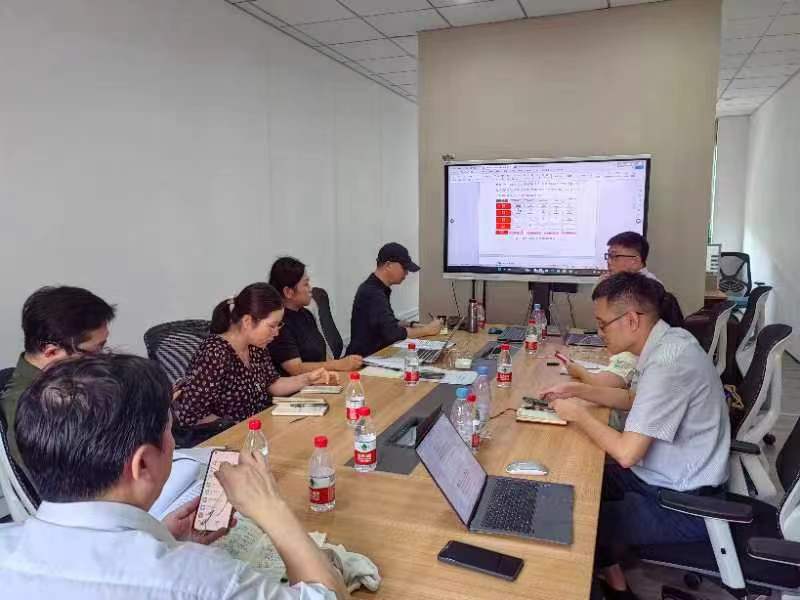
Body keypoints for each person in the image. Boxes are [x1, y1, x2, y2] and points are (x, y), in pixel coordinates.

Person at [0, 353, 346, 599]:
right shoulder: (203, 580)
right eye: (170, 430)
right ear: (143, 464)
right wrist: (272, 509)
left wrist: (162, 537)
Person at [540, 273, 730, 600]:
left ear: (631, 320)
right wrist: (578, 390)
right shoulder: (668, 342)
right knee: (574, 480)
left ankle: (614, 590)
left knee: (575, 521)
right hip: (661, 477)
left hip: (684, 504)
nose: (600, 333)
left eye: (603, 325)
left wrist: (578, 414)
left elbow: (627, 453)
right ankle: (614, 576)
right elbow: (633, 399)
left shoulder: (668, 363)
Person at [172, 283, 335, 427]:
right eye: (271, 326)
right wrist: (232, 427)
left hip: (258, 429)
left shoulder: (256, 347)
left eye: (279, 325)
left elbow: (273, 384)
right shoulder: (214, 353)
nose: (276, 333)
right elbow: (191, 415)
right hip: (225, 439)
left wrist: (308, 379)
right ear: (247, 322)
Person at [0, 285, 115, 482]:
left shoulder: (65, 380)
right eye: (95, 351)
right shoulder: (33, 412)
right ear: (52, 351)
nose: (101, 360)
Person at [268, 256, 362, 376]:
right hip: (300, 385)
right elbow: (296, 368)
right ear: (288, 292)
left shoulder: (306, 314)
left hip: (322, 380)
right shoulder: (278, 324)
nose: (310, 289)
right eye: (306, 284)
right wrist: (338, 364)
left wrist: (339, 368)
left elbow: (322, 354)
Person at [347, 242, 441, 357]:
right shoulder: (373, 293)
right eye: (404, 268)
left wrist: (414, 325)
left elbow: (387, 323)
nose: (406, 273)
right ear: (388, 265)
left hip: (377, 354)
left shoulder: (377, 288)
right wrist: (427, 330)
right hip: (364, 360)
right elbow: (392, 333)